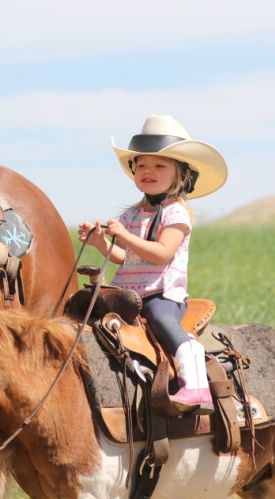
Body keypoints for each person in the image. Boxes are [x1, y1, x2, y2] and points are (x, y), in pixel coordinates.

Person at [78, 115, 227, 415]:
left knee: (160, 320)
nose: (149, 171)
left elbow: (161, 253)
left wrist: (123, 236)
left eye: (160, 166)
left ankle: (195, 382)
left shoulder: (177, 214)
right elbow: (125, 257)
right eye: (142, 165)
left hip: (161, 294)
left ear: (181, 174)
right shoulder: (132, 214)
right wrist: (101, 243)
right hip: (129, 292)